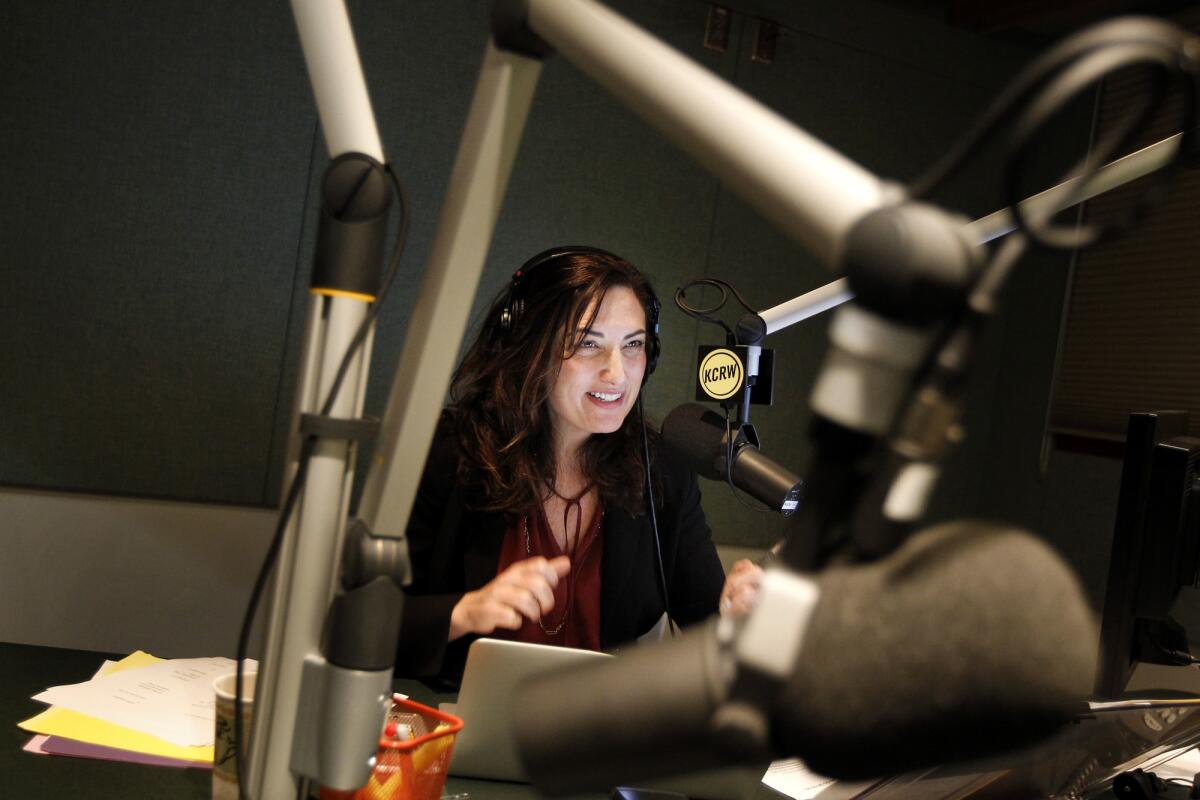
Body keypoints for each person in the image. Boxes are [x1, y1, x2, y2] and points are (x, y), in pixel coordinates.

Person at [394, 246, 762, 683]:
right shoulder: (450, 451)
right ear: (528, 347)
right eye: (588, 344)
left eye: (633, 346)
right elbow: (358, 623)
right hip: (454, 729)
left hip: (593, 737)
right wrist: (462, 613)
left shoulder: (661, 469)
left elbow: (708, 623)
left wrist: (739, 619)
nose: (617, 374)